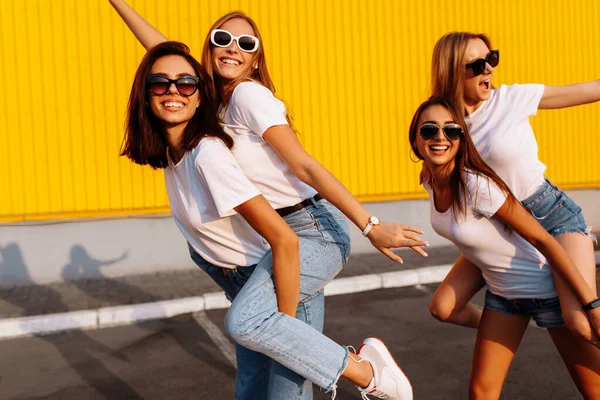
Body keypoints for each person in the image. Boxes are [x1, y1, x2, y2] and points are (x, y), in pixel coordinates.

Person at [118, 26, 418, 400]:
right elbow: (167, 61)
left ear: (257, 56)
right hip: (268, 252)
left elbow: (303, 167)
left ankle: (368, 372)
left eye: (246, 43)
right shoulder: (207, 106)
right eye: (221, 40)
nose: (233, 49)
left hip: (307, 234)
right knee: (253, 388)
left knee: (254, 338)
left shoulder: (243, 99)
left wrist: (369, 224)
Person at [409, 96, 600, 398]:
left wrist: (591, 305)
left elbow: (543, 240)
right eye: (429, 130)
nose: (440, 137)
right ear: (416, 141)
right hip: (503, 296)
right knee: (481, 392)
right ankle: (505, 329)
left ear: (462, 139)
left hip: (544, 291)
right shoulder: (431, 181)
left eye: (452, 131)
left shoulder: (477, 186)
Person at [427, 31, 600, 346]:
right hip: (500, 228)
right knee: (443, 307)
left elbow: (587, 90)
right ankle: (503, 328)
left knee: (579, 322)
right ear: (452, 71)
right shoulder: (446, 125)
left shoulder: (510, 99)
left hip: (550, 216)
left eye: (492, 58)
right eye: (477, 64)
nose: (489, 69)